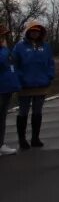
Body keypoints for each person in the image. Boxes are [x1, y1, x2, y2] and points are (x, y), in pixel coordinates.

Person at [12, 22, 55, 149]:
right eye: (32, 31)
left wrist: (49, 76)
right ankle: (22, 139)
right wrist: (20, 78)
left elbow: (50, 63)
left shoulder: (45, 47)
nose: (35, 33)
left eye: (37, 31)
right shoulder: (19, 47)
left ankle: (35, 138)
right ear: (28, 32)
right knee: (23, 112)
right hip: (25, 85)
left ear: (40, 33)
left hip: (41, 84)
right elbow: (14, 64)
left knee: (37, 112)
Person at [0, 24, 22, 155]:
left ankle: (1, 144)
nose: (4, 38)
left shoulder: (5, 50)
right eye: (2, 36)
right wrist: (4, 50)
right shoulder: (3, 51)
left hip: (6, 88)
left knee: (2, 118)